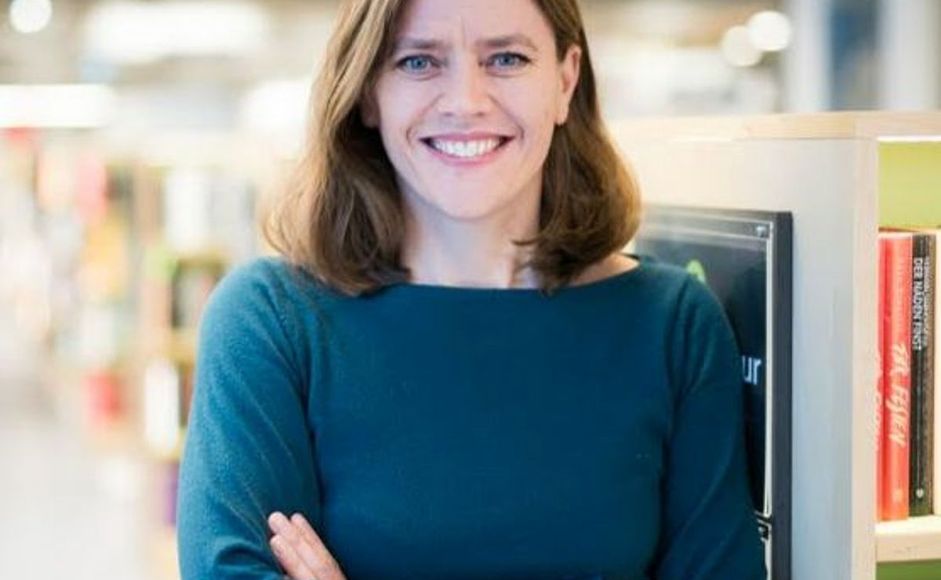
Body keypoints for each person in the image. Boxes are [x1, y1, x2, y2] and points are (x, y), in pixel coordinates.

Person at [176, 0, 767, 578]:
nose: (466, 101)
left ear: (565, 81)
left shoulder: (671, 325)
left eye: (506, 59)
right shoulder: (272, 321)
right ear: (368, 92)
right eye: (418, 61)